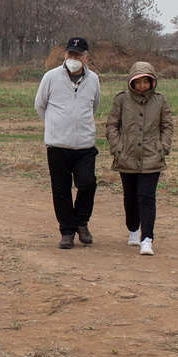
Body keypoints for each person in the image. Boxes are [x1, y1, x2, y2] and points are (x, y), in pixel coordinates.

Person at [34, 36, 102, 249]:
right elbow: (40, 105)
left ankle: (82, 222)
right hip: (58, 145)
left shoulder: (94, 80)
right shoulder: (51, 77)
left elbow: (95, 106)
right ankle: (67, 231)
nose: (74, 58)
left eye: (78, 55)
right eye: (70, 54)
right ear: (65, 55)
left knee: (88, 183)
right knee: (61, 190)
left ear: (86, 57)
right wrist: (54, 126)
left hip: (84, 145)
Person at [105, 60, 173, 255]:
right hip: (126, 155)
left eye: (146, 81)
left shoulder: (160, 100)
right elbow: (112, 125)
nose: (142, 85)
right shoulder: (121, 100)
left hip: (152, 156)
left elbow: (167, 125)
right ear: (131, 82)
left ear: (153, 82)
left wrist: (163, 147)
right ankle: (133, 229)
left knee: (147, 197)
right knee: (131, 197)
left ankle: (147, 238)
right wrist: (117, 148)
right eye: (138, 81)